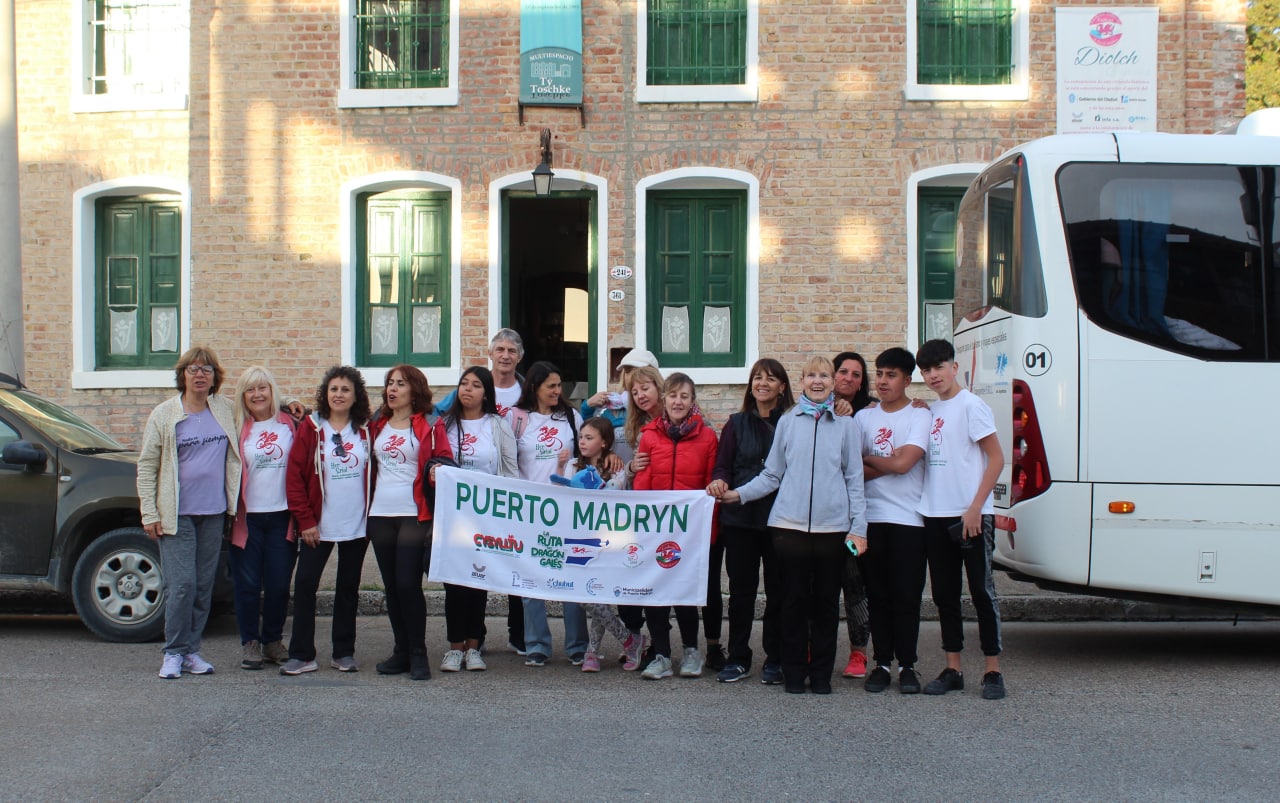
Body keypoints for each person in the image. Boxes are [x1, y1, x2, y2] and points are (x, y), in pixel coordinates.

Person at [712, 355, 867, 695]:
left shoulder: (846, 425)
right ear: (801, 380)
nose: (817, 380)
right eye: (811, 374)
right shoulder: (788, 420)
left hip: (832, 529)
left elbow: (854, 479)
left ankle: (821, 675)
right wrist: (739, 495)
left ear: (832, 382)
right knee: (793, 602)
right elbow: (772, 474)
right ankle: (793, 672)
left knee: (826, 605)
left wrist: (859, 528)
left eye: (824, 375)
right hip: (789, 528)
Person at [138, 347, 241, 679]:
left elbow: (260, 404)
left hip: (213, 513)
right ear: (182, 375)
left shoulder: (224, 410)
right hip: (176, 514)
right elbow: (147, 466)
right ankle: (173, 652)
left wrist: (292, 404)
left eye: (207, 370)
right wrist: (149, 512)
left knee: (201, 586)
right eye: (193, 369)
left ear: (215, 378)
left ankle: (192, 651)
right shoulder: (165, 414)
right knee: (181, 585)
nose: (200, 375)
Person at [914, 338, 1008, 700]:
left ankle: (993, 670)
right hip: (935, 514)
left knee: (983, 593)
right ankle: (953, 667)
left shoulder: (973, 406)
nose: (934, 375)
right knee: (945, 595)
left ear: (955, 368)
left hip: (970, 515)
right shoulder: (932, 411)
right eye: (927, 370)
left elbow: (996, 459)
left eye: (939, 367)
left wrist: (975, 508)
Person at [435, 328, 528, 654]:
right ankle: (471, 640)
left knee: (509, 567)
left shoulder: (524, 390)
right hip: (457, 510)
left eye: (511, 351)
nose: (505, 356)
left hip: (497, 499)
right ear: (490, 353)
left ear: (519, 357)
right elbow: (433, 417)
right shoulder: (463, 395)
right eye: (499, 349)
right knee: (463, 575)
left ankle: (518, 634)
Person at [705, 358, 794, 685]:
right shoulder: (736, 423)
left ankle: (776, 658)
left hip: (780, 518)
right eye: (758, 378)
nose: (763, 384)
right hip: (740, 519)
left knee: (778, 592)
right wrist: (719, 482)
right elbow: (723, 465)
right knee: (741, 594)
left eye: (771, 379)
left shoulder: (793, 422)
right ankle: (738, 657)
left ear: (782, 387)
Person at [280, 366, 373, 676]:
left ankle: (344, 652)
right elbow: (294, 477)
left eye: (345, 389)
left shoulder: (366, 430)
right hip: (317, 525)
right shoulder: (311, 428)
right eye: (333, 389)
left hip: (357, 525)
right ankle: (302, 653)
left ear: (356, 395)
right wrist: (306, 521)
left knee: (348, 588)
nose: (339, 394)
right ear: (325, 394)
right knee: (305, 584)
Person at [366, 365, 454, 681]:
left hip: (414, 513)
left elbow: (445, 459)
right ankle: (401, 651)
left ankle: (418, 653)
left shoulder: (430, 424)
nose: (392, 389)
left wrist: (436, 468)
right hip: (379, 513)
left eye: (400, 384)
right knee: (392, 587)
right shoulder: (375, 423)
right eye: (389, 383)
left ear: (413, 389)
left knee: (407, 583)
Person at [853, 348, 932, 694]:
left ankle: (908, 665)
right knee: (877, 595)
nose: (883, 381)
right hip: (869, 520)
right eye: (880, 374)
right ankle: (882, 663)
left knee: (906, 596)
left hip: (909, 520)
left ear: (907, 380)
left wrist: (873, 460)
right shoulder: (863, 418)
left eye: (892, 375)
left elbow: (905, 466)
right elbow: (854, 471)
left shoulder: (919, 416)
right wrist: (889, 459)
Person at [635, 372, 719, 680]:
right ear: (664, 399)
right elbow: (642, 484)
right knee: (655, 590)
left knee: (684, 592)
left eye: (684, 396)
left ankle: (691, 651)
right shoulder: (649, 435)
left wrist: (709, 531)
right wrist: (642, 529)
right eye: (673, 395)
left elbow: (711, 486)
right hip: (656, 529)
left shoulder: (707, 437)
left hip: (690, 531)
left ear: (693, 401)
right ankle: (660, 654)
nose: (678, 401)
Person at [509, 360, 589, 667]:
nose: (558, 391)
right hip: (530, 509)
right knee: (531, 579)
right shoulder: (516, 418)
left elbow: (586, 454)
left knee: (572, 576)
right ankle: (537, 644)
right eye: (551, 386)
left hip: (568, 509)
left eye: (559, 385)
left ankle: (577, 645)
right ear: (534, 388)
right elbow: (507, 459)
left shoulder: (571, 416)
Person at [554, 417, 647, 673]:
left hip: (608, 540)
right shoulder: (573, 465)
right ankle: (629, 639)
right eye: (581, 437)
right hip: (578, 540)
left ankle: (592, 651)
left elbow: (617, 491)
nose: (583, 442)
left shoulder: (615, 466)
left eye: (589, 437)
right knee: (584, 595)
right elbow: (560, 495)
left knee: (599, 591)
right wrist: (561, 468)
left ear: (604, 442)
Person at [229, 365, 299, 670]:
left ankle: (272, 640)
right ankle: (250, 642)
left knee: (279, 584)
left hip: (283, 515)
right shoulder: (236, 426)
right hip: (248, 519)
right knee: (247, 584)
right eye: (250, 389)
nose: (257, 394)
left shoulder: (291, 423)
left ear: (272, 391)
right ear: (243, 397)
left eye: (263, 388)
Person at [832, 350, 873, 680]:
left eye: (855, 374)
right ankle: (813, 648)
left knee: (855, 585)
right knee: (820, 587)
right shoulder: (815, 409)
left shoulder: (872, 411)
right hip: (821, 517)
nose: (848, 378)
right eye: (842, 371)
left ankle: (859, 653)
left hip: (856, 517)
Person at [580, 347, 660, 463]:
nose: (631, 375)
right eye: (627, 371)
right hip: (618, 475)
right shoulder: (614, 406)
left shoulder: (667, 410)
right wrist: (587, 406)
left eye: (635, 369)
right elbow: (591, 434)